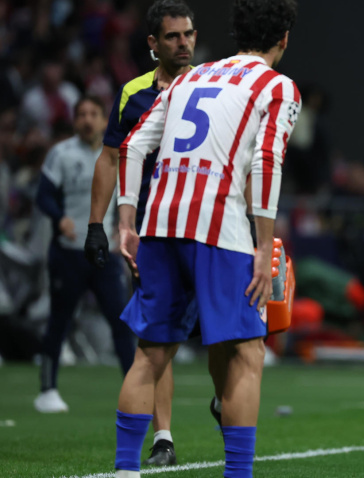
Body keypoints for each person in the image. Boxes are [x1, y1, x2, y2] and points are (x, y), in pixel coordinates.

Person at [110, 0, 300, 476]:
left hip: (159, 225)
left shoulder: (189, 78)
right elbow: (266, 162)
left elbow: (132, 146)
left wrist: (127, 223)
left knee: (150, 353)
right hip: (219, 230)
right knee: (246, 353)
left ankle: (124, 470)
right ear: (284, 39)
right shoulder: (276, 86)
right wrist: (263, 247)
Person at [84, 0, 199, 465]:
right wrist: (97, 224)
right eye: (172, 36)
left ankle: (225, 399)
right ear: (153, 43)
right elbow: (111, 157)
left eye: (188, 33)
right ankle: (163, 439)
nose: (183, 43)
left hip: (210, 230)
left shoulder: (210, 85)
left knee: (231, 339)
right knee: (157, 338)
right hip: (154, 234)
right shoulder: (133, 93)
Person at [33, 96, 135, 413]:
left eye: (93, 114)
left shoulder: (117, 154)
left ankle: (133, 391)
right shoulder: (61, 154)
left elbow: (130, 196)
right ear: (75, 120)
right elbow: (43, 196)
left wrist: (123, 227)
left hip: (105, 255)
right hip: (69, 252)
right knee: (59, 321)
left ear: (104, 120)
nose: (87, 119)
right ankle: (47, 391)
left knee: (121, 323)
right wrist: (58, 218)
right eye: (81, 114)